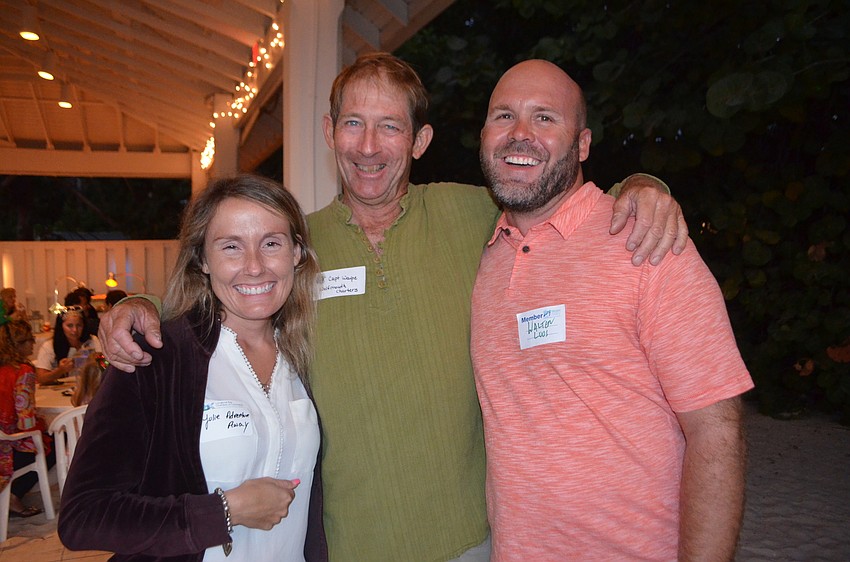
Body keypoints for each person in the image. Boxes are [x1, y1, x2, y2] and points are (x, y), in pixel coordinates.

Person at [98, 53, 688, 561]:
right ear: (329, 131)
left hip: (471, 538)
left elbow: (561, 202)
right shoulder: (295, 241)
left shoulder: (473, 213)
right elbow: (217, 286)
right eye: (353, 123)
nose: (369, 147)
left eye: (390, 126)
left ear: (420, 140)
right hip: (347, 542)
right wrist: (137, 301)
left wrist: (641, 184)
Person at [470, 59, 754, 560]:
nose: (520, 134)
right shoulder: (484, 253)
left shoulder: (647, 244)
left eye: (544, 118)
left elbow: (715, 429)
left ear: (582, 144)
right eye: (503, 115)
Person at [58, 175, 326, 561]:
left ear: (297, 253)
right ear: (201, 259)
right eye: (231, 247)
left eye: (271, 243)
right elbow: (83, 516)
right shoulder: (156, 358)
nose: (254, 266)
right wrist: (222, 512)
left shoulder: (307, 352)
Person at [0, 319, 56, 518]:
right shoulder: (23, 371)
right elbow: (26, 421)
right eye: (29, 340)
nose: (33, 344)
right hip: (8, 444)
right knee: (55, 441)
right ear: (18, 345)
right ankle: (14, 495)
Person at [34, 306, 102, 385]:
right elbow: (41, 378)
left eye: (79, 325)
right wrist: (60, 370)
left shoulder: (92, 341)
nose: (75, 330)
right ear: (61, 327)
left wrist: (95, 363)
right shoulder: (49, 346)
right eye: (70, 326)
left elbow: (105, 366)